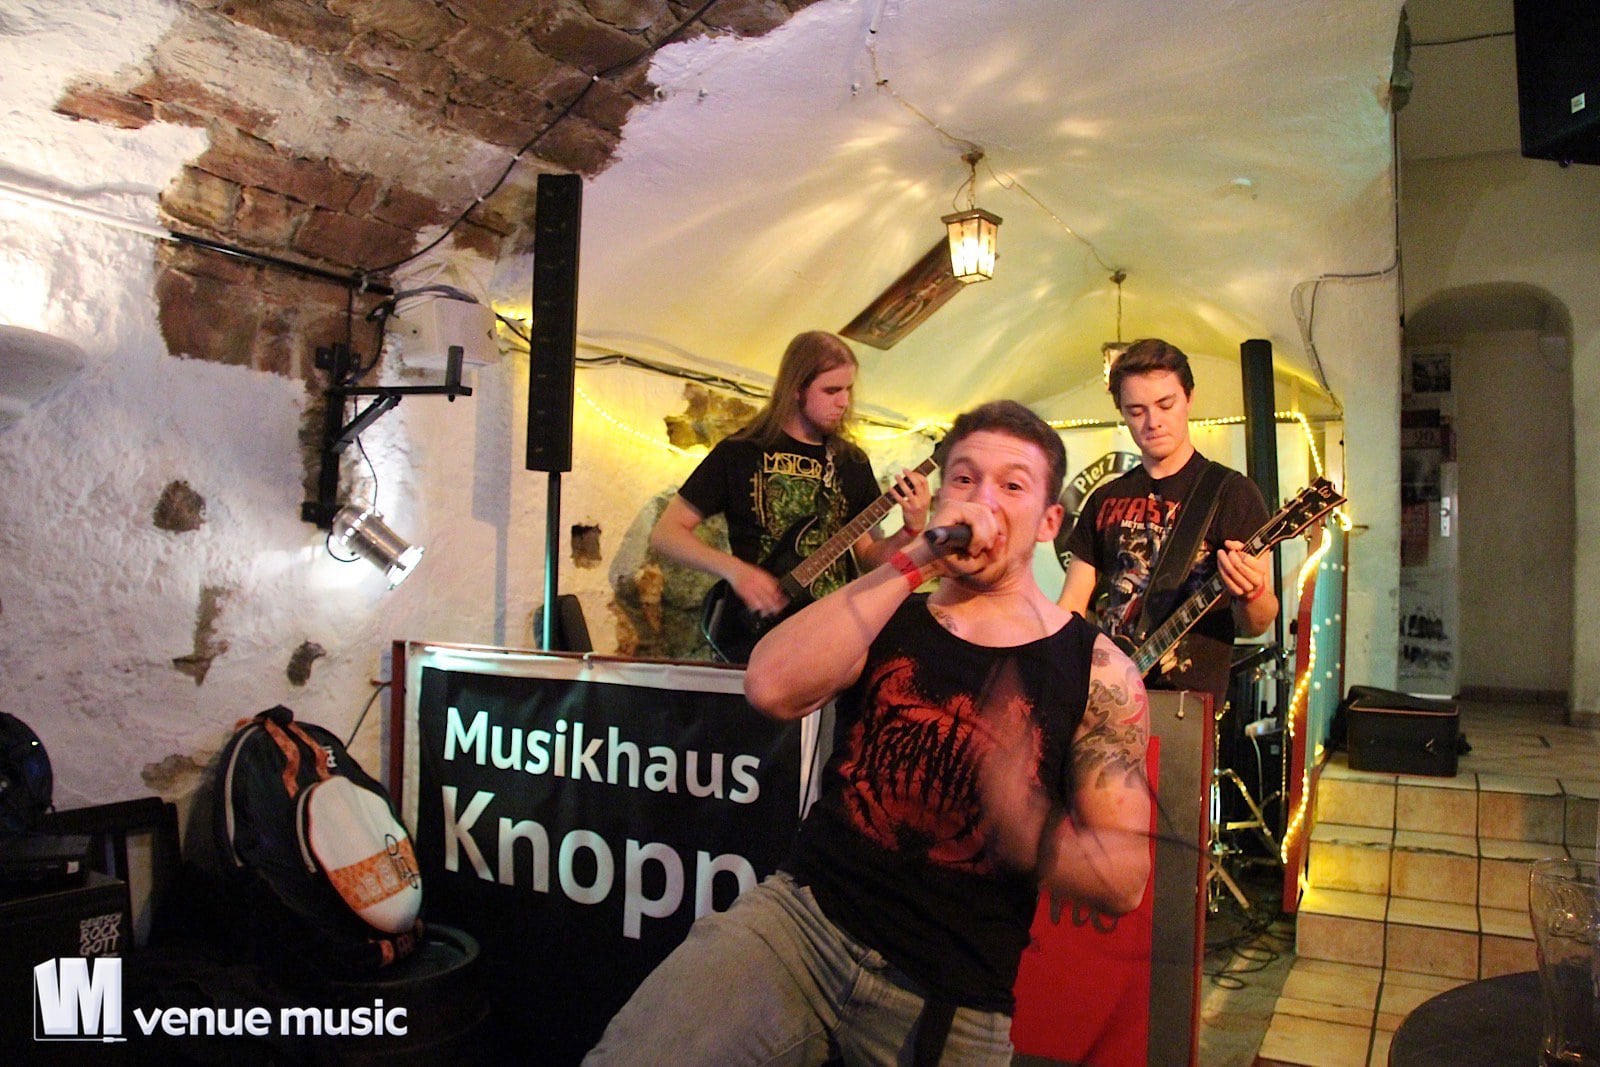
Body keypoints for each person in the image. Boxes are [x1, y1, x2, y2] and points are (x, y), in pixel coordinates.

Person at [587, 400, 1152, 1066]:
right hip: (804, 925)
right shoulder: (890, 612)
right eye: (964, 478)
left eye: (1012, 485)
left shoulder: (1097, 670)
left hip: (952, 992)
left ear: (1049, 522)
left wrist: (1024, 821)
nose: (982, 500)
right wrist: (912, 561)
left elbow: (1124, 880)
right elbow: (768, 685)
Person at [650, 330, 931, 625]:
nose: (844, 402)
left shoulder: (851, 461)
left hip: (832, 625)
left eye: (848, 389)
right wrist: (735, 571)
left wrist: (909, 531)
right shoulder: (740, 452)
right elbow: (666, 534)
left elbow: (870, 558)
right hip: (761, 626)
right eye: (831, 391)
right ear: (797, 388)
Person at [1057, 338, 1279, 710]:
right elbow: (1072, 605)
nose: (1153, 422)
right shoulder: (1103, 499)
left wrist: (1252, 592)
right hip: (1104, 698)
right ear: (1122, 412)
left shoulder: (1231, 493)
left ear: (1189, 398)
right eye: (1136, 410)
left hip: (1183, 709)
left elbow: (1257, 624)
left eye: (1165, 404)